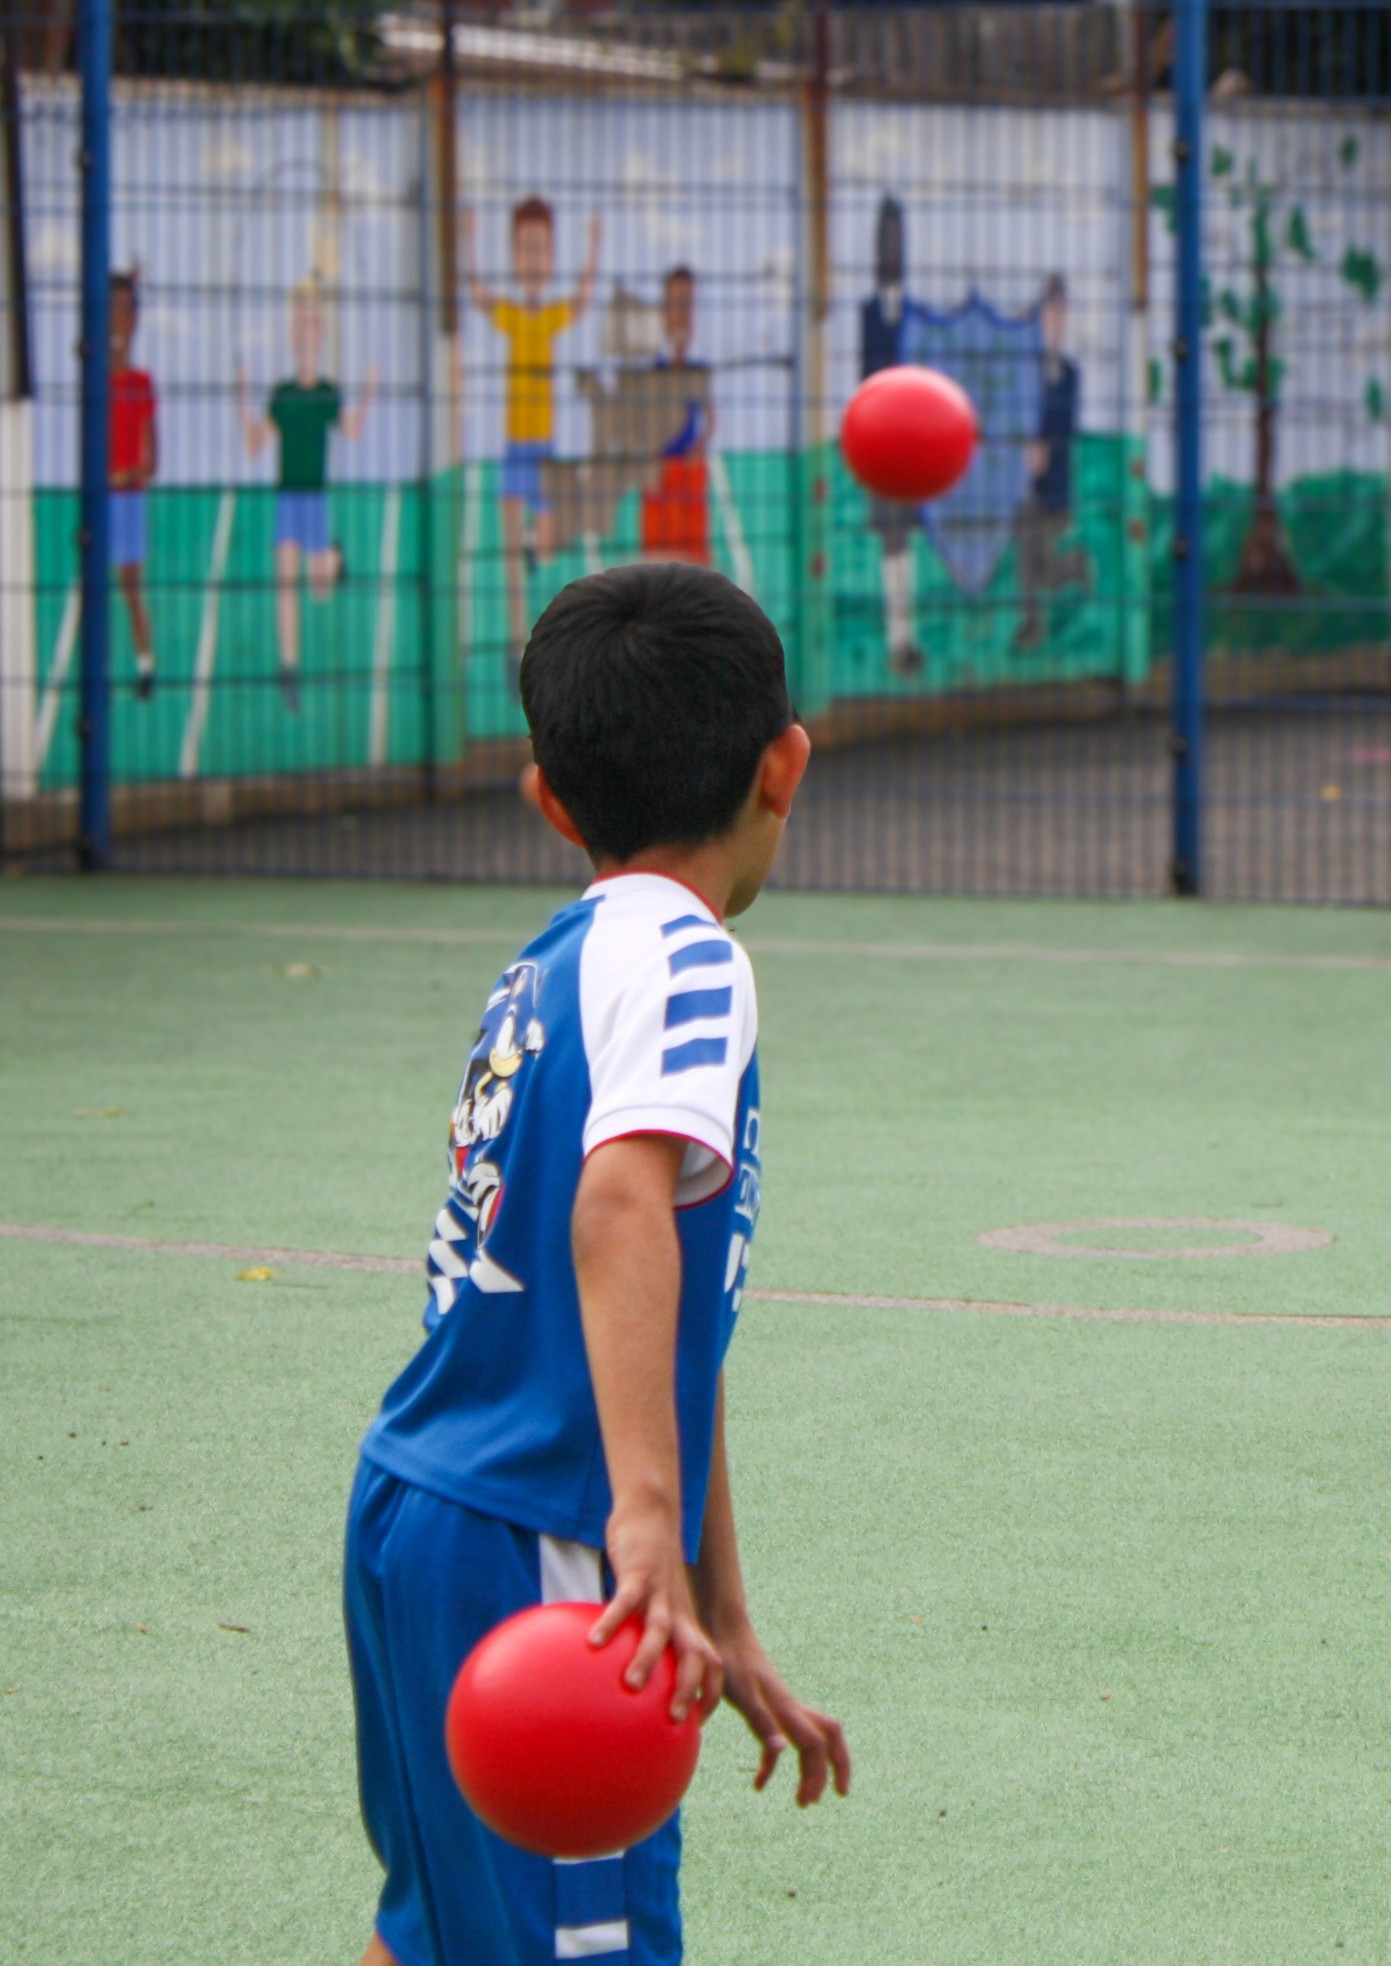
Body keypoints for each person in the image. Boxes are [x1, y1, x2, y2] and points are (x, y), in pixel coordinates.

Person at [344, 563, 847, 1966]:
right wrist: (639, 1528)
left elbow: (677, 1315)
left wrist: (726, 1603)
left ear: (550, 802)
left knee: (440, 1932)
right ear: (783, 766)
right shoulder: (692, 958)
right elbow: (621, 1211)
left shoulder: (551, 965)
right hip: (541, 1542)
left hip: (420, 1509)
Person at [466, 196, 602, 661]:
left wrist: (594, 249)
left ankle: (533, 545)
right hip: (513, 447)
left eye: (541, 249)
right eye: (524, 249)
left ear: (552, 255)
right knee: (509, 558)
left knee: (543, 542)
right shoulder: (511, 314)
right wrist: (467, 240)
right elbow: (479, 295)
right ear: (513, 255)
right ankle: (513, 646)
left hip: (542, 448)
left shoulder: (547, 318)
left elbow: (581, 303)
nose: (533, 259)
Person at [236, 277, 375, 714]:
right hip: (286, 499)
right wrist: (242, 399)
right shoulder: (282, 394)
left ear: (322, 332)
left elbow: (351, 431)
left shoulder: (328, 392)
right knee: (286, 585)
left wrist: (369, 394)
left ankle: (333, 557)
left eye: (313, 323)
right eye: (300, 323)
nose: (306, 332)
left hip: (314, 499)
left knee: (318, 588)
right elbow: (256, 443)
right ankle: (289, 668)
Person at [858, 195, 925, 677]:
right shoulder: (866, 313)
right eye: (885, 238)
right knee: (891, 541)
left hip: (914, 446)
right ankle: (896, 638)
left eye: (897, 238)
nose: (890, 249)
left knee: (908, 540)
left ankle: (908, 635)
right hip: (882, 447)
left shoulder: (917, 314)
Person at [1015, 275, 1092, 654]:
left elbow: (1067, 424)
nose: (1055, 322)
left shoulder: (1069, 374)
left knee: (1043, 565)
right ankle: (1033, 626)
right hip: (1024, 484)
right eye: (1049, 313)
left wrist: (1044, 445)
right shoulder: (1024, 367)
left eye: (1061, 314)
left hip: (1055, 484)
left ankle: (1077, 564)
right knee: (1026, 561)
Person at [639, 266, 713, 568]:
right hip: (662, 465)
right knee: (658, 547)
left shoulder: (695, 369)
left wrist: (701, 444)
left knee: (693, 546)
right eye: (675, 303)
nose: (681, 313)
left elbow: (709, 415)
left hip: (688, 468)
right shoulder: (654, 367)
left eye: (687, 304)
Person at [109, 271, 160, 701]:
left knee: (130, 589)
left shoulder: (141, 384)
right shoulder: (96, 381)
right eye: (113, 309)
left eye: (128, 309)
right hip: (102, 500)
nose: (121, 319)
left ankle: (145, 665)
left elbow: (151, 462)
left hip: (127, 500)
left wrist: (123, 477)